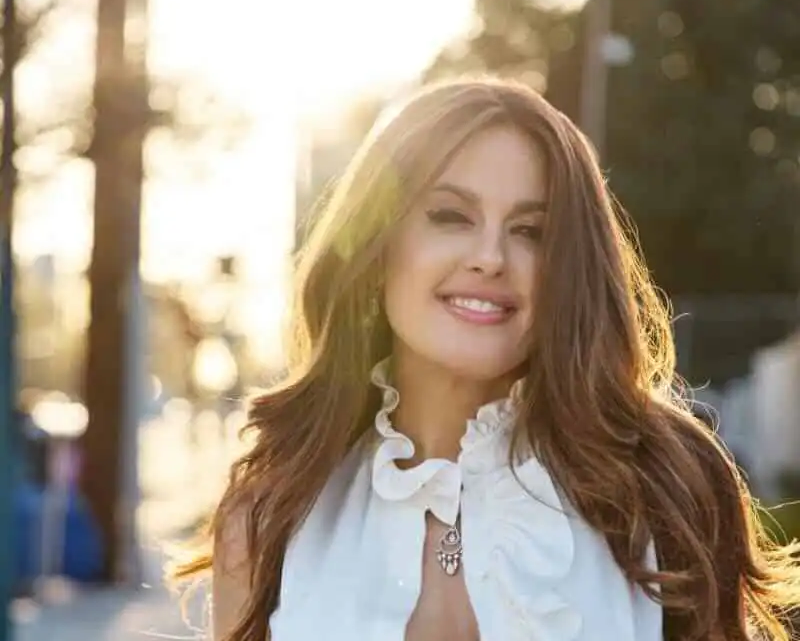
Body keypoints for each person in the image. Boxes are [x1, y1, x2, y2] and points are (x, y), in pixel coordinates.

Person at [173, 77, 800, 640]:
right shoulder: (270, 511)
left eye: (531, 231)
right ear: (377, 245)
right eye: (451, 216)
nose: (491, 257)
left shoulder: (666, 486)